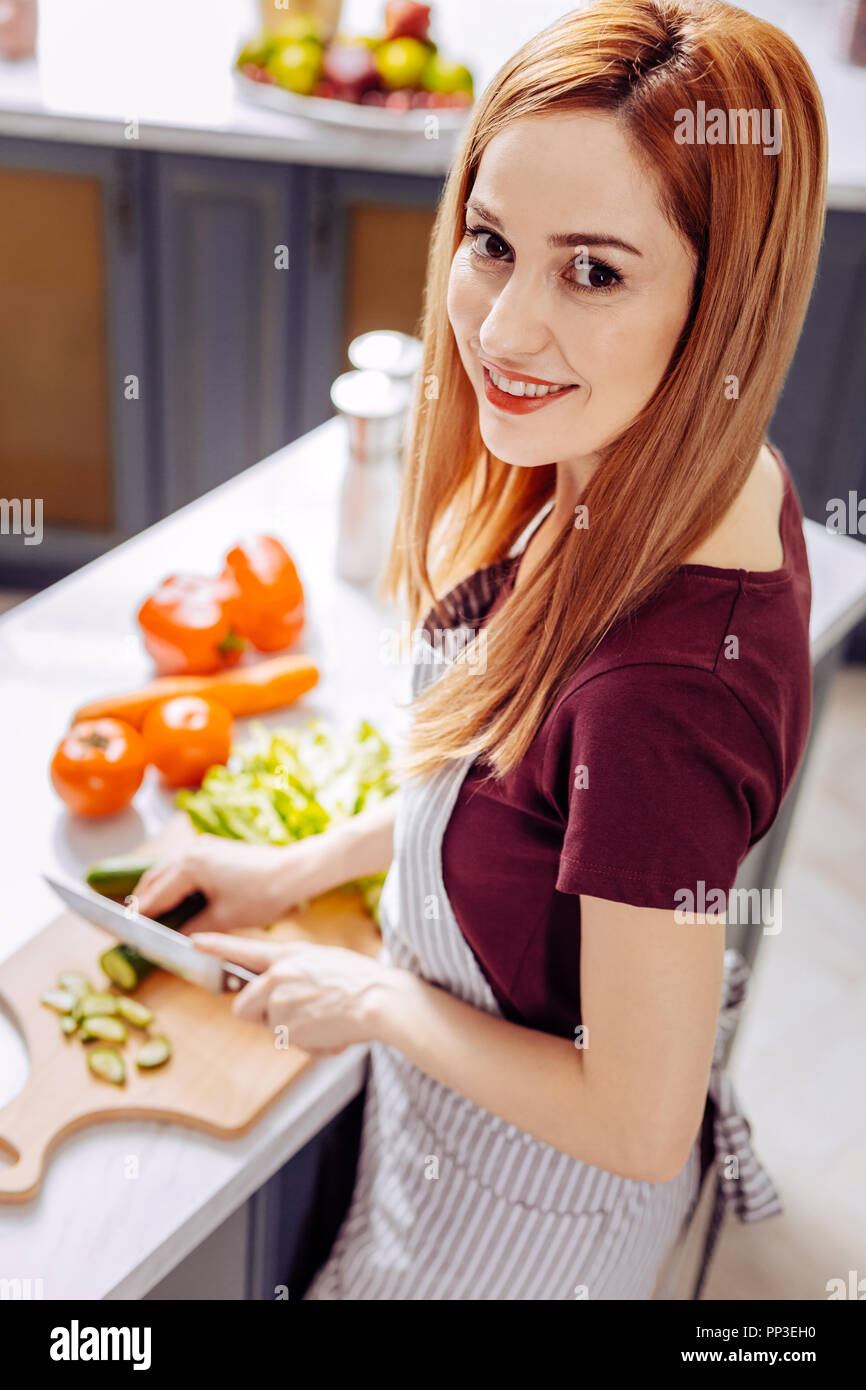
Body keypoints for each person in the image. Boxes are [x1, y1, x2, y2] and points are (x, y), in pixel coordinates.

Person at [134, 0, 826, 1300]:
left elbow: (636, 1119)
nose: (500, 329)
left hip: (515, 1237)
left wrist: (375, 998)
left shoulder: (661, 696)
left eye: (595, 270)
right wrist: (296, 867)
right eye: (491, 240)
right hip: (449, 1154)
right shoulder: (688, 469)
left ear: (715, 309)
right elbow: (505, 791)